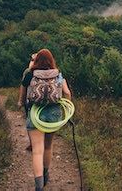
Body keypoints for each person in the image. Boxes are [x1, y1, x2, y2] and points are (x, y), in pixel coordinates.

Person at [18, 49, 71, 191]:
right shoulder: (58, 74)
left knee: (37, 150)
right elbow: (67, 93)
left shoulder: (30, 74)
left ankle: (39, 186)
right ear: (51, 60)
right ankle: (46, 174)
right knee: (48, 147)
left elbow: (22, 96)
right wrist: (66, 109)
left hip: (35, 113)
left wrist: (21, 104)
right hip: (54, 114)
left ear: (36, 61)